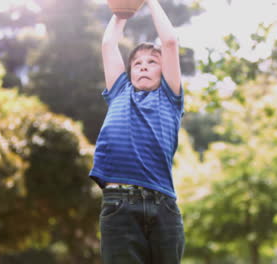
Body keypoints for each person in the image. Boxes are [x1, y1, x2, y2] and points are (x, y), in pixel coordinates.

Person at [88, 0, 185, 263]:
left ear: (164, 70)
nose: (143, 66)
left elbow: (170, 43)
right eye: (137, 63)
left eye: (152, 62)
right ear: (129, 72)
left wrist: (150, 1)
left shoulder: (169, 96)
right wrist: (122, 11)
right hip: (119, 205)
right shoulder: (120, 91)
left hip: (163, 206)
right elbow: (108, 44)